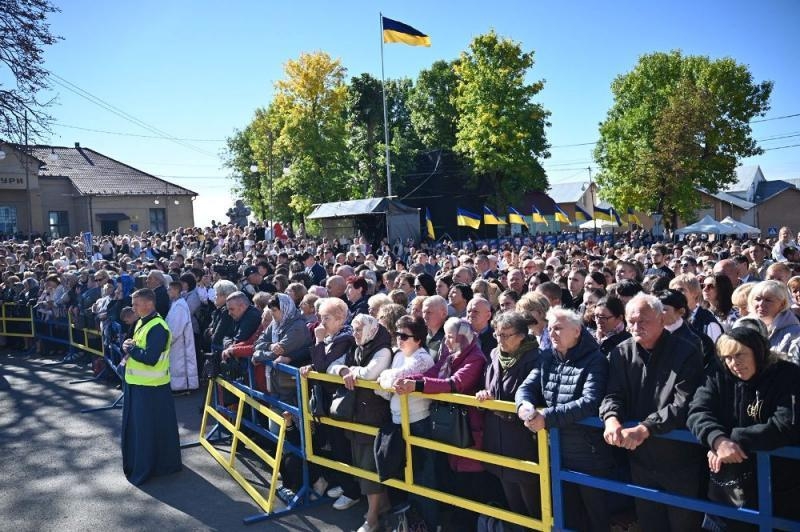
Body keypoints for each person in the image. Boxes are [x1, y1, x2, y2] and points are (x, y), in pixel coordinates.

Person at [600, 293, 704, 532]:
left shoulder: (687, 350)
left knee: (683, 524)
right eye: (632, 321)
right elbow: (612, 394)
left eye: (644, 320)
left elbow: (684, 403)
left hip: (679, 460)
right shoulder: (620, 352)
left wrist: (646, 427)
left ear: (661, 319)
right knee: (650, 523)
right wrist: (611, 418)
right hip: (640, 460)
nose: (637, 326)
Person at [687, 320, 800, 530]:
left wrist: (734, 439)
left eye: (740, 355)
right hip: (729, 487)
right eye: (727, 357)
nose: (733, 363)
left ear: (757, 352)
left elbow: (787, 424)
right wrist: (717, 440)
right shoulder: (718, 373)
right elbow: (698, 411)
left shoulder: (787, 374)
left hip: (778, 484)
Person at [517, 307, 613, 531]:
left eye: (558, 328)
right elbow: (527, 387)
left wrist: (547, 418)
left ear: (577, 331)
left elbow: (590, 402)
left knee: (596, 515)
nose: (552, 333)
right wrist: (525, 405)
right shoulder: (547, 356)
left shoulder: (595, 360)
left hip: (588, 454)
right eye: (550, 328)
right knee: (566, 514)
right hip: (556, 450)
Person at [328, 314, 393, 532]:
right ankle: (380, 506)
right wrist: (344, 370)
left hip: (372, 416)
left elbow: (368, 374)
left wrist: (351, 372)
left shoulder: (382, 349)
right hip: (358, 414)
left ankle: (373, 517)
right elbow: (332, 367)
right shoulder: (358, 347)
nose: (354, 334)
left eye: (358, 330)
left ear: (369, 330)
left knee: (369, 467)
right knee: (361, 464)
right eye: (354, 329)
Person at [476, 311, 541, 519]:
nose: (500, 339)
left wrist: (502, 410)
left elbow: (534, 397)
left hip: (523, 442)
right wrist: (483, 394)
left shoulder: (536, 357)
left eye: (506, 335)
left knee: (533, 504)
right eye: (497, 334)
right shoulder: (495, 354)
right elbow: (486, 384)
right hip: (498, 440)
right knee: (513, 505)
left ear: (522, 335)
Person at [299, 298, 360, 510]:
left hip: (340, 400)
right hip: (328, 398)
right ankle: (344, 483)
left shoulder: (344, 338)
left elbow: (323, 366)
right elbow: (320, 364)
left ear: (341, 318)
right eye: (320, 317)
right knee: (333, 444)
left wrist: (317, 342)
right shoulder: (332, 336)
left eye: (326, 318)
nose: (321, 322)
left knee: (341, 445)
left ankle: (351, 491)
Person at [377, 315, 437, 530]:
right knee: (403, 475)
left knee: (422, 477)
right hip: (397, 421)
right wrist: (387, 379)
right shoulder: (399, 356)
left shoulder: (423, 358)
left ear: (418, 339)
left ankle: (429, 524)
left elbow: (391, 380)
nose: (399, 340)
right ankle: (412, 524)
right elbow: (382, 384)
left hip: (418, 423)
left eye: (404, 336)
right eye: (397, 335)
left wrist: (386, 379)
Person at [119, 288, 182, 485]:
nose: (133, 307)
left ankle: (154, 466)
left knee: (147, 432)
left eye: (136, 304)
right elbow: (138, 347)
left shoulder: (158, 327)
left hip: (151, 389)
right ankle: (150, 463)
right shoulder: (141, 322)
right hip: (138, 385)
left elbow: (151, 358)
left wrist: (131, 348)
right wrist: (129, 345)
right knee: (143, 431)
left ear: (149, 304)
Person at [748, 280, 800, 362]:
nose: (761, 304)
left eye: (768, 300)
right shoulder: (743, 325)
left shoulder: (795, 333)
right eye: (757, 299)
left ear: (782, 304)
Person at [165, 281, 198, 393]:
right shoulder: (175, 304)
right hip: (176, 342)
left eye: (169, 289)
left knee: (180, 364)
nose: (168, 292)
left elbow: (176, 328)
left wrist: (168, 339)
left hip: (179, 342)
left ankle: (182, 387)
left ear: (175, 290)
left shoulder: (180, 306)